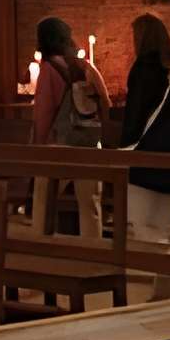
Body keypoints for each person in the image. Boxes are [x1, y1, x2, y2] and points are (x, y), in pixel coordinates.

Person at [120, 11, 170, 280]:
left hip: (145, 158)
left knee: (141, 223)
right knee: (163, 223)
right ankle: (167, 279)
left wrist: (123, 148)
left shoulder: (143, 69)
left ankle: (153, 278)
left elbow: (135, 115)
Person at [30, 15, 110, 240]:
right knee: (90, 206)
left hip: (59, 147)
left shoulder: (49, 68)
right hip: (89, 144)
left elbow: (44, 113)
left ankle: (40, 247)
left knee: (43, 199)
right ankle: (92, 254)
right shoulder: (85, 66)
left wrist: (38, 147)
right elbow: (105, 101)